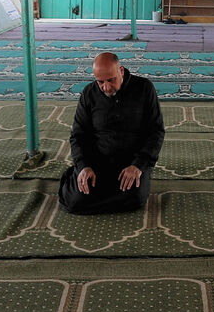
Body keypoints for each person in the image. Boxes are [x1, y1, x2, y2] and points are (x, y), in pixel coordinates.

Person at [58, 52, 165, 215]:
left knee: (136, 198)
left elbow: (155, 132)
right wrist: (84, 166)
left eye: (111, 80)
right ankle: (76, 177)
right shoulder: (89, 93)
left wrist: (138, 165)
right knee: (74, 202)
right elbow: (78, 136)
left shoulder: (144, 88)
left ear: (121, 71)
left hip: (131, 163)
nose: (106, 88)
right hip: (98, 162)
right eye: (100, 82)